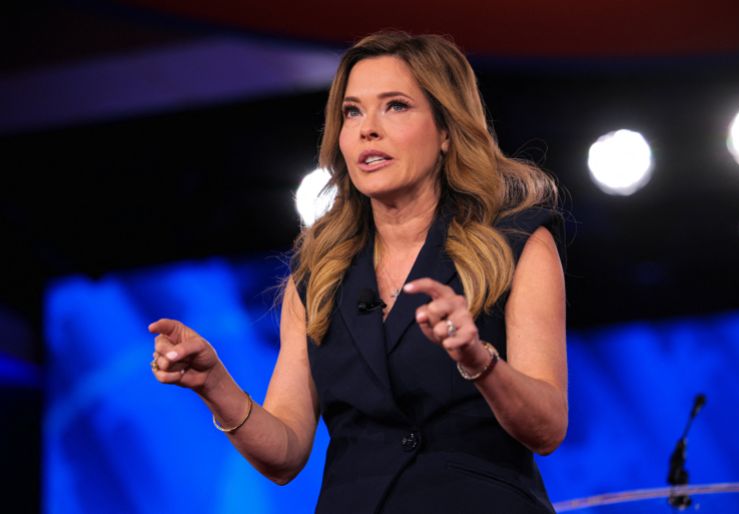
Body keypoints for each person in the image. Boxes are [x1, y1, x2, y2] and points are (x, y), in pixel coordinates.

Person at [150, 31, 567, 513]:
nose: (368, 129)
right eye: (352, 111)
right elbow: (285, 453)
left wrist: (477, 359)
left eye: (396, 106)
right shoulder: (320, 270)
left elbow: (548, 427)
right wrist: (214, 385)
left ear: (447, 130)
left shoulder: (514, 244)